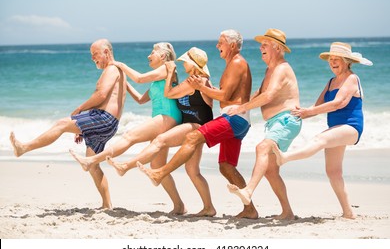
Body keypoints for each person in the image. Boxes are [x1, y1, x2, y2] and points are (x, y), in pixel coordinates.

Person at [139, 29, 258, 219]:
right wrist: (206, 88)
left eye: (221, 43)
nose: (217, 46)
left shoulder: (236, 63)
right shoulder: (233, 64)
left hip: (234, 119)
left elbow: (225, 96)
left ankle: (160, 172)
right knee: (226, 166)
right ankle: (250, 209)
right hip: (239, 119)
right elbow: (227, 93)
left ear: (232, 45)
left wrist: (201, 87)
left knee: (193, 136)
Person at [9, 39, 127, 209]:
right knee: (92, 164)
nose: (93, 58)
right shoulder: (118, 71)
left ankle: (24, 148)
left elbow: (101, 96)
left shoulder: (112, 69)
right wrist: (83, 126)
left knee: (62, 124)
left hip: (103, 118)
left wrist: (79, 110)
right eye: (91, 55)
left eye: (95, 54)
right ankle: (107, 204)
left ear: (107, 52)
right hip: (107, 121)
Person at [70, 42, 186, 214]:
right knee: (157, 166)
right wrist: (124, 81)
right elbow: (140, 99)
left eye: (153, 52)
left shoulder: (166, 69)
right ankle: (179, 206)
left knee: (130, 136)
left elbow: (139, 78)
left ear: (162, 56)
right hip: (164, 118)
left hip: (168, 117)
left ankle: (92, 160)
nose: (149, 55)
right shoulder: (157, 81)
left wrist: (121, 65)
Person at [107, 47, 216, 216]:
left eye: (186, 61)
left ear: (192, 64)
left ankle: (126, 166)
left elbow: (169, 93)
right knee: (192, 171)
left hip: (197, 125)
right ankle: (208, 207)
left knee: (160, 140)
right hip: (198, 127)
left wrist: (170, 72)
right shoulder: (197, 80)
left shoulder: (195, 81)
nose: (183, 64)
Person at [272, 42, 373, 219]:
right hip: (336, 128)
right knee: (333, 172)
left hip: (351, 127)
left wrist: (308, 111)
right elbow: (316, 107)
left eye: (337, 59)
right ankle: (348, 213)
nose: (333, 62)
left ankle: (285, 157)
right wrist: (298, 114)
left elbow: (337, 103)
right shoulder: (331, 82)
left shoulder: (352, 78)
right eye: (331, 59)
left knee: (320, 140)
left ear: (347, 61)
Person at [226, 28, 301, 220]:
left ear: (277, 47)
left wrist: (242, 108)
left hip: (287, 120)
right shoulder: (270, 69)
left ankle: (249, 191)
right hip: (275, 122)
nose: (261, 48)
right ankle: (288, 212)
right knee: (270, 171)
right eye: (261, 45)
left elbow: (269, 96)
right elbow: (259, 94)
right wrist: (241, 108)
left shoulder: (282, 68)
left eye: (265, 45)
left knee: (262, 148)